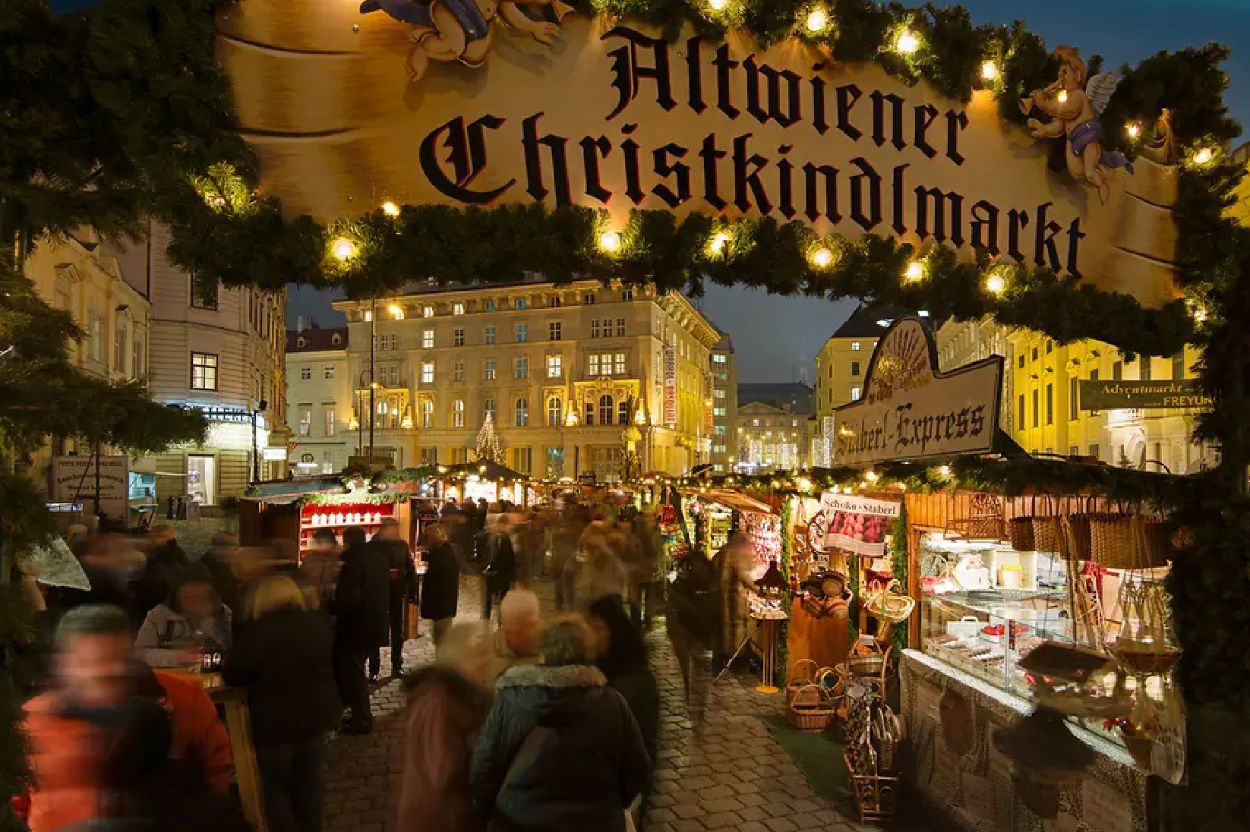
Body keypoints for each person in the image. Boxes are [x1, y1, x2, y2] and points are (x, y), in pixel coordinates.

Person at [22, 604, 238, 832]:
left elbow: (218, 768)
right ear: (65, 663)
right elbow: (15, 800)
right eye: (93, 661)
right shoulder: (34, 719)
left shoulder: (181, 698)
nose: (108, 671)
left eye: (118, 658)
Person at [469, 615, 650, 832]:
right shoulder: (613, 704)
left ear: (543, 654)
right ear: (587, 655)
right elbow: (637, 772)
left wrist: (491, 814)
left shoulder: (510, 702)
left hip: (519, 822)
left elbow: (483, 769)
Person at [223, 576, 339, 832]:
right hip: (315, 717)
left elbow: (234, 673)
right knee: (310, 785)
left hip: (275, 722)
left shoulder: (261, 630)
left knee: (275, 788)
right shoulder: (316, 623)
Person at [398, 624, 492, 832]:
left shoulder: (463, 696)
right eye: (477, 657)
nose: (485, 663)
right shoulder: (438, 702)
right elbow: (441, 770)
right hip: (438, 820)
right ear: (458, 661)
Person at [587, 595, 659, 830]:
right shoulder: (602, 669)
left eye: (597, 629)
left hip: (620, 797)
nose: (591, 636)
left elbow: (640, 753)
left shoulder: (632, 683)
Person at [329, 526, 389, 734]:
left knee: (354, 675)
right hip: (374, 623)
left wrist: (329, 604)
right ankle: (358, 715)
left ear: (347, 542)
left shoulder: (352, 564)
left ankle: (362, 719)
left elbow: (348, 601)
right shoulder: (378, 559)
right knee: (357, 673)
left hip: (355, 627)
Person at [134, 563, 233, 668]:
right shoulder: (159, 615)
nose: (194, 603)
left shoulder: (223, 613)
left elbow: (228, 651)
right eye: (188, 598)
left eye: (200, 597)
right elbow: (140, 653)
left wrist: (207, 620)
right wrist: (179, 657)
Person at [368, 518, 420, 679]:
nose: (395, 532)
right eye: (392, 529)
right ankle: (374, 669)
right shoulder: (373, 547)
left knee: (397, 630)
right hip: (377, 594)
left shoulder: (401, 546)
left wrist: (412, 591)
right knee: (375, 631)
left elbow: (410, 568)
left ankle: (397, 664)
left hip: (397, 593)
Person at [714, 533, 757, 669]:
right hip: (734, 599)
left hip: (721, 597)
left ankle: (722, 657)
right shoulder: (736, 555)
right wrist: (761, 591)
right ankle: (736, 660)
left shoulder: (722, 552)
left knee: (723, 628)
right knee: (736, 628)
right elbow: (744, 577)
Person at [485, 589, 543, 685]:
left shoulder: (552, 654)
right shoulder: (486, 657)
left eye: (521, 630)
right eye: (509, 630)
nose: (513, 637)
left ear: (536, 624)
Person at [420, 523, 461, 655]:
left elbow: (438, 581)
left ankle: (443, 666)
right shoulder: (442, 552)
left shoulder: (443, 556)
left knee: (442, 638)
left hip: (442, 605)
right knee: (440, 637)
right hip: (442, 605)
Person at [138, 524, 188, 614]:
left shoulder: (164, 556)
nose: (151, 541)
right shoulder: (177, 553)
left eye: (154, 537)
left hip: (162, 605)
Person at [482, 515, 517, 621]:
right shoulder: (494, 537)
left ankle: (498, 616)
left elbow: (510, 557)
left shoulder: (505, 538)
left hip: (501, 571)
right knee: (491, 594)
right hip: (495, 571)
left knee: (499, 594)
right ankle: (488, 615)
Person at [199, 531, 241, 616]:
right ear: (221, 549)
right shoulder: (207, 570)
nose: (236, 552)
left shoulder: (224, 566)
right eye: (234, 549)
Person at [299, 528, 342, 610]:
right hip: (312, 604)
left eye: (321, 541)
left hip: (333, 605)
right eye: (317, 541)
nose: (319, 544)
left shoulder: (339, 558)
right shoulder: (309, 558)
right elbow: (302, 579)